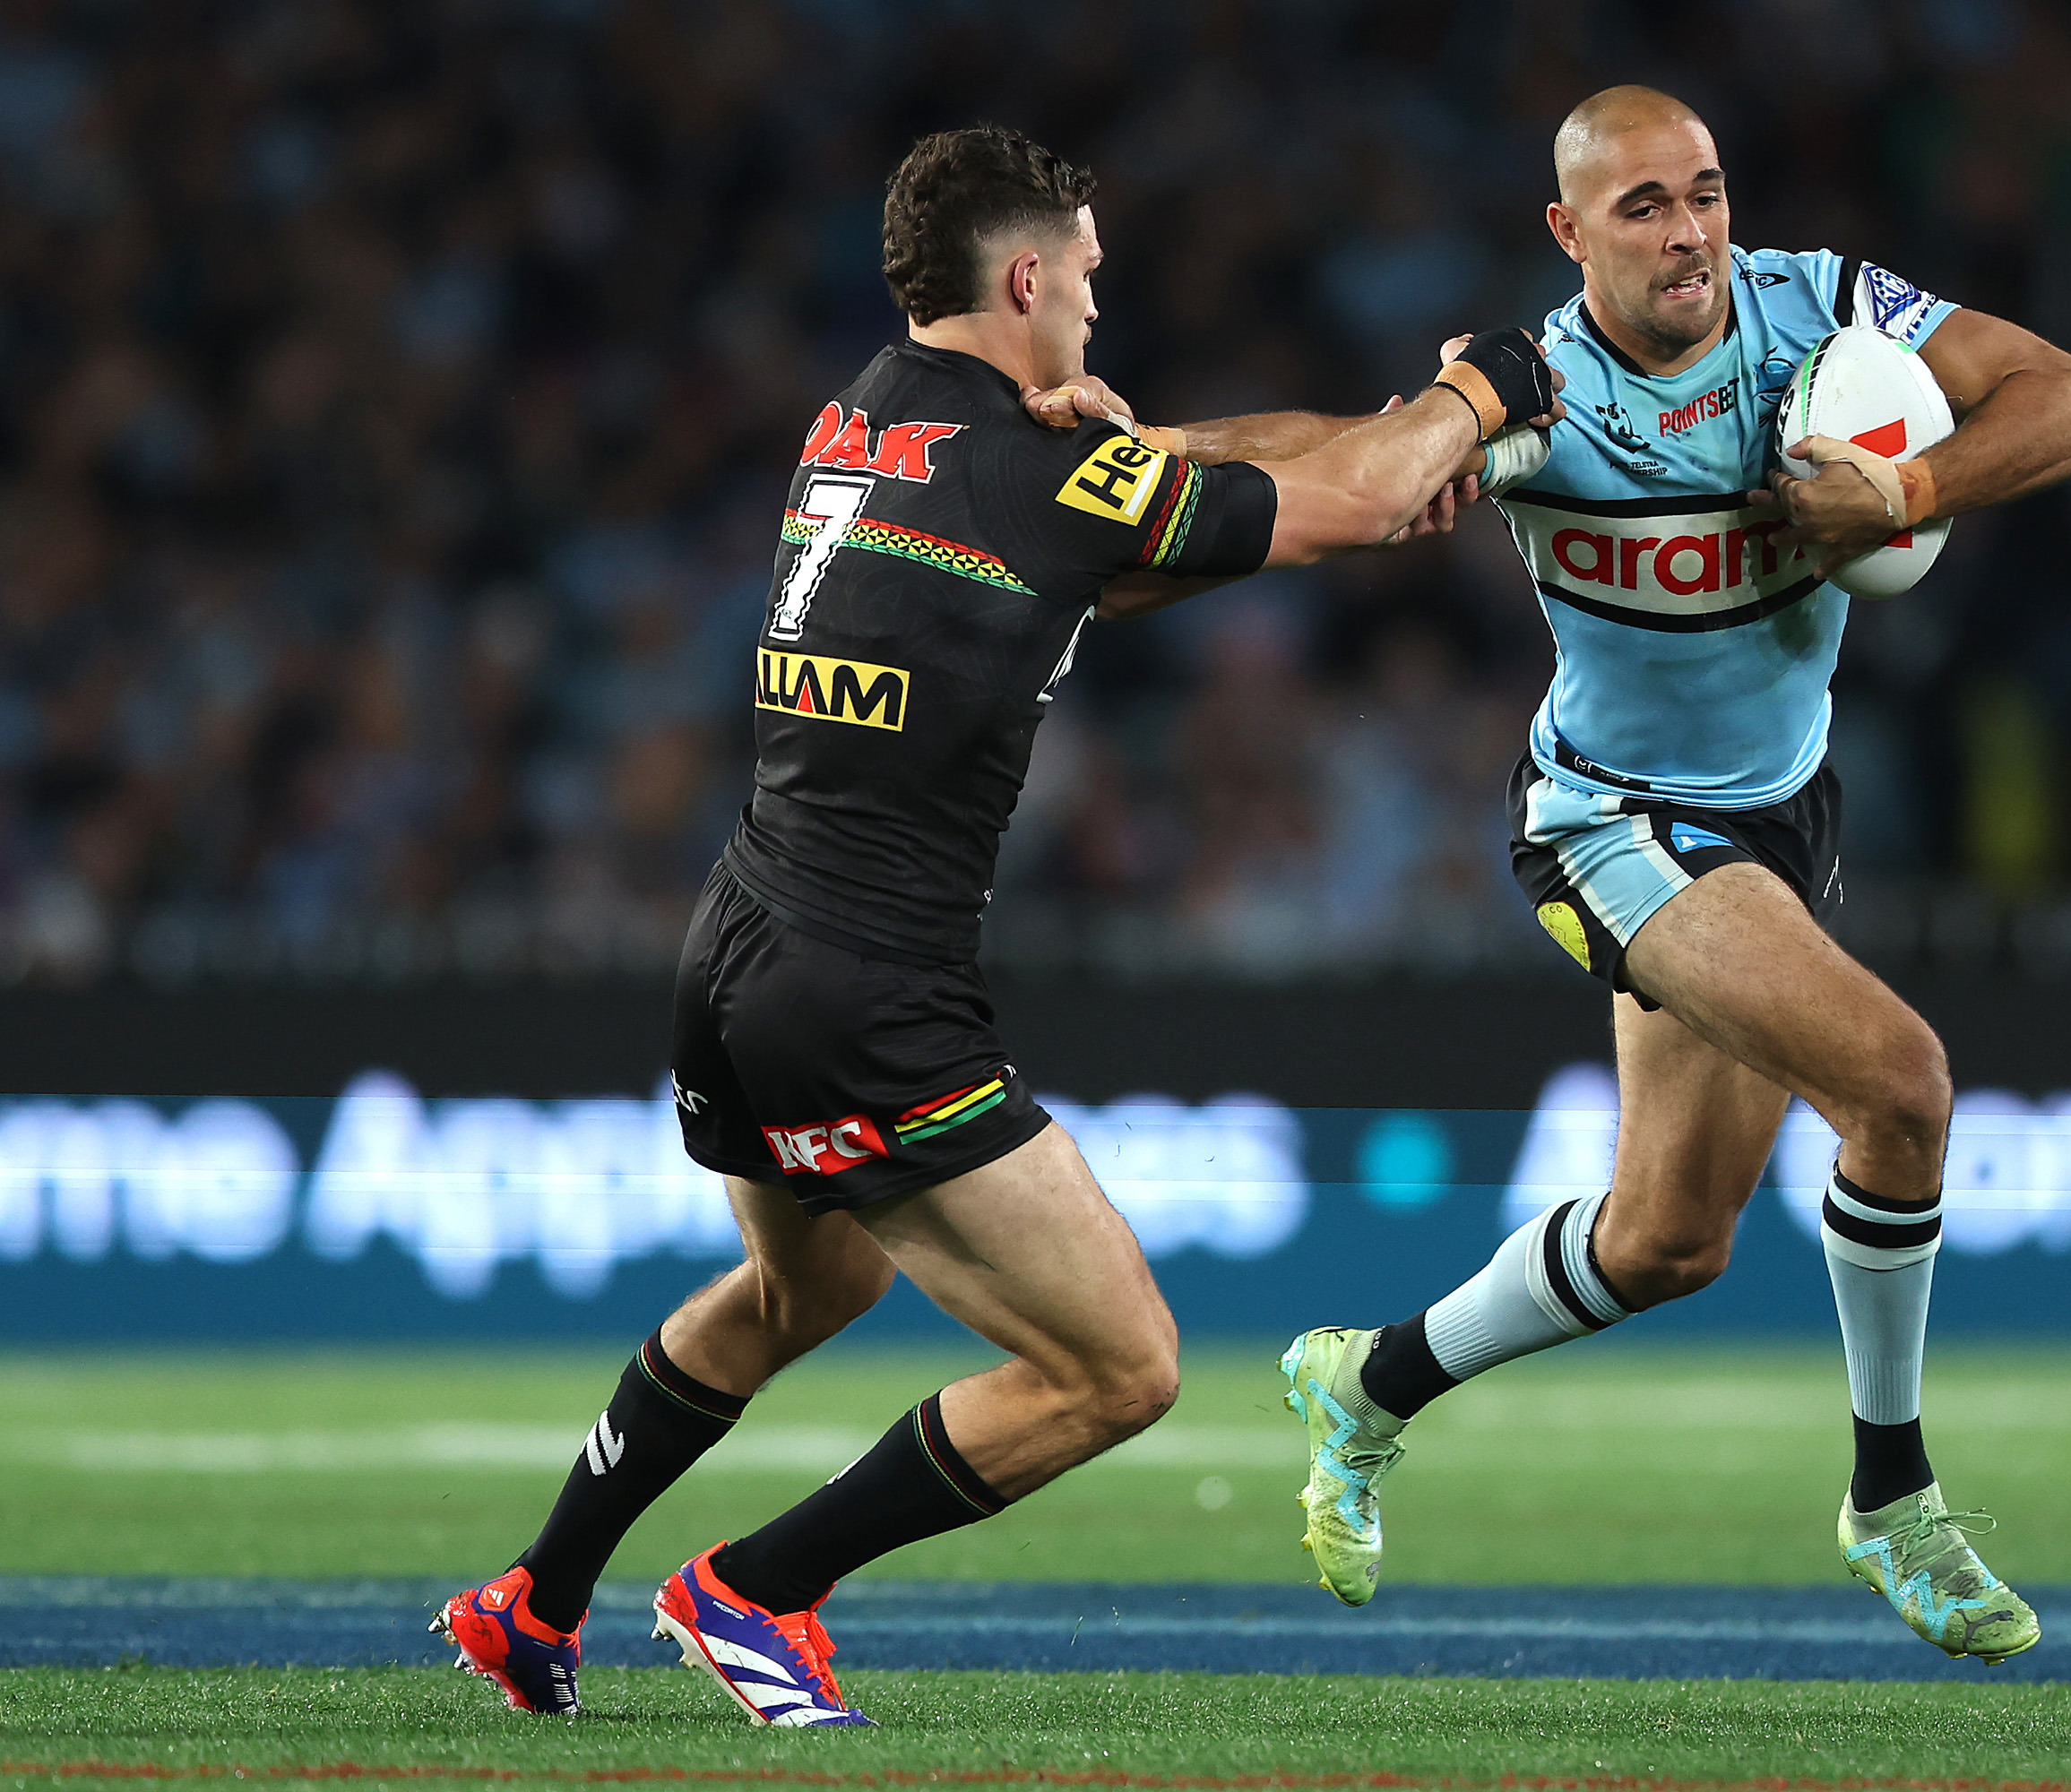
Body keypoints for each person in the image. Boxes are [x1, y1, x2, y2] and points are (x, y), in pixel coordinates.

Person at [431, 123, 1561, 1728]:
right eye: (1088, 273)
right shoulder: (1031, 472)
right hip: (866, 987)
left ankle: (535, 1604)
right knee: (1120, 1371)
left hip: (737, 947)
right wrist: (1484, 393)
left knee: (799, 1295)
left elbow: (1139, 505)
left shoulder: (871, 418)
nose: (1098, 303)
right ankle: (754, 1591)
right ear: (1026, 274)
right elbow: (1345, 513)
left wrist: (1383, 441)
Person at [1279, 86, 2071, 1666]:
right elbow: (1342, 457)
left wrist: (1910, 488)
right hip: (1612, 823)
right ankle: (1894, 1497)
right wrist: (1141, 453)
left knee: (1670, 1241)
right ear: (1569, 231)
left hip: (1782, 814)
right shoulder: (1536, 387)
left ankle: (1365, 1383)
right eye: (1645, 208)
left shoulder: (1821, 312)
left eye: (1707, 194)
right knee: (1903, 1087)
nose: (1690, 234)